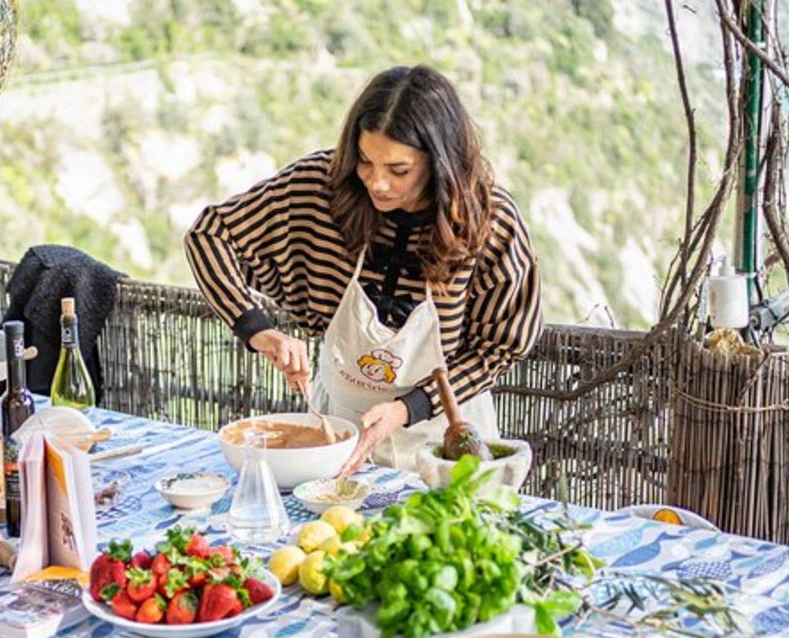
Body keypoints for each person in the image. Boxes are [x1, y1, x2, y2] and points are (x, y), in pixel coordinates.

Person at [185, 64, 542, 475]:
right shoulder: (318, 188)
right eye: (366, 162)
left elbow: (500, 346)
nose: (377, 183)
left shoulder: (490, 219)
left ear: (439, 161)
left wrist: (408, 408)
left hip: (448, 441)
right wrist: (256, 329)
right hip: (339, 428)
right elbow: (209, 234)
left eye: (398, 170)